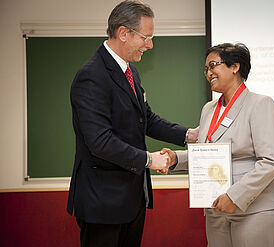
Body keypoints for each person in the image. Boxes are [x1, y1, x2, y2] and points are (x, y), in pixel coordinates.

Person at [66, 1, 198, 246]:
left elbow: (146, 119)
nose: (150, 45)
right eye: (146, 37)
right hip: (103, 204)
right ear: (123, 33)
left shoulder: (131, 72)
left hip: (131, 199)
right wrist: (149, 159)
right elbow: (99, 142)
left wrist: (191, 134)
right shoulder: (91, 76)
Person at [162, 43, 274, 247]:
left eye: (213, 66)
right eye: (206, 69)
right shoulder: (208, 109)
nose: (208, 73)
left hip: (256, 207)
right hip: (217, 207)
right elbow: (207, 154)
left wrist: (234, 196)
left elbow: (271, 161)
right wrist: (177, 158)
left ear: (235, 67)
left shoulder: (260, 104)